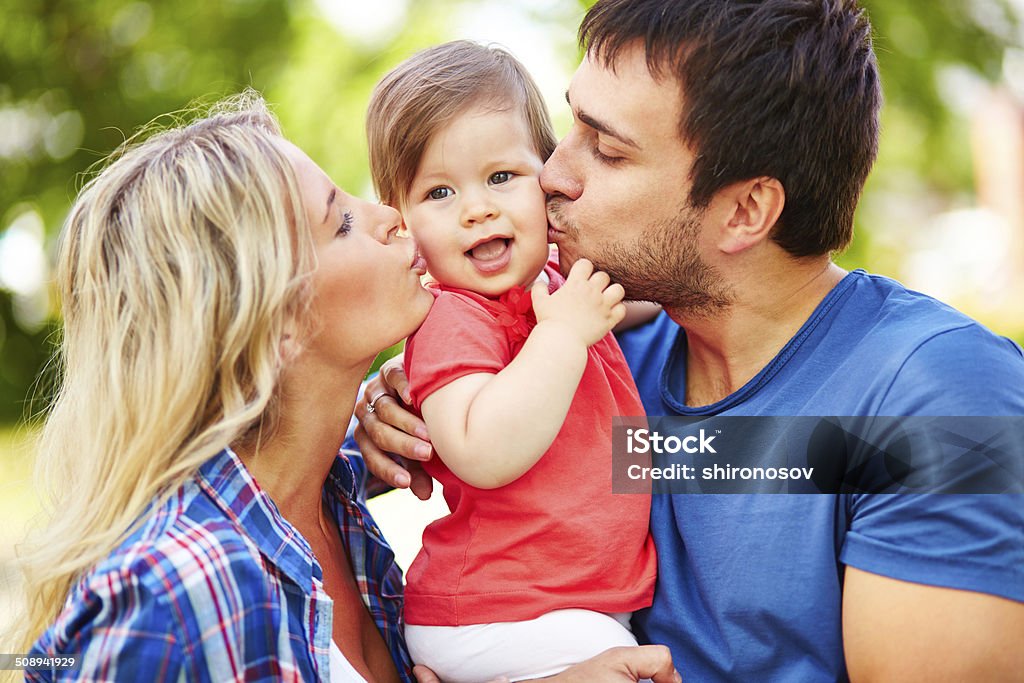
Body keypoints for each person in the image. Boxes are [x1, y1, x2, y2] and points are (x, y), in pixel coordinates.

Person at [355, 1, 1024, 680]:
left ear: (744, 210)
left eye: (607, 149)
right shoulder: (598, 367)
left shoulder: (944, 398)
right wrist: (415, 402)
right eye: (570, 126)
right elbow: (748, 451)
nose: (552, 174)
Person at [364, 41, 657, 683]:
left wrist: (602, 311)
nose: (477, 208)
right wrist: (563, 338)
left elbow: (629, 297)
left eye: (502, 177)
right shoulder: (453, 317)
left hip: (565, 604)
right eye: (439, 192)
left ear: (545, 181)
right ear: (404, 224)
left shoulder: (553, 286)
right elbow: (479, 449)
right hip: (500, 614)